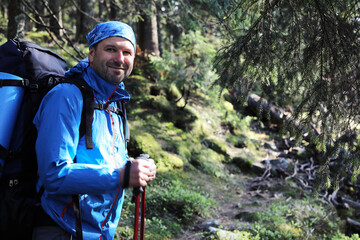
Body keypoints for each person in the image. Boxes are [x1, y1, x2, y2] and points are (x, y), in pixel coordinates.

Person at [32, 21, 157, 240]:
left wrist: (136, 169)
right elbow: (54, 175)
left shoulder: (116, 103)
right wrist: (122, 175)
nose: (120, 59)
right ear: (91, 54)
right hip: (61, 229)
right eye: (111, 49)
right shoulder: (66, 97)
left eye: (127, 52)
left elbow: (110, 159)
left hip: (98, 232)